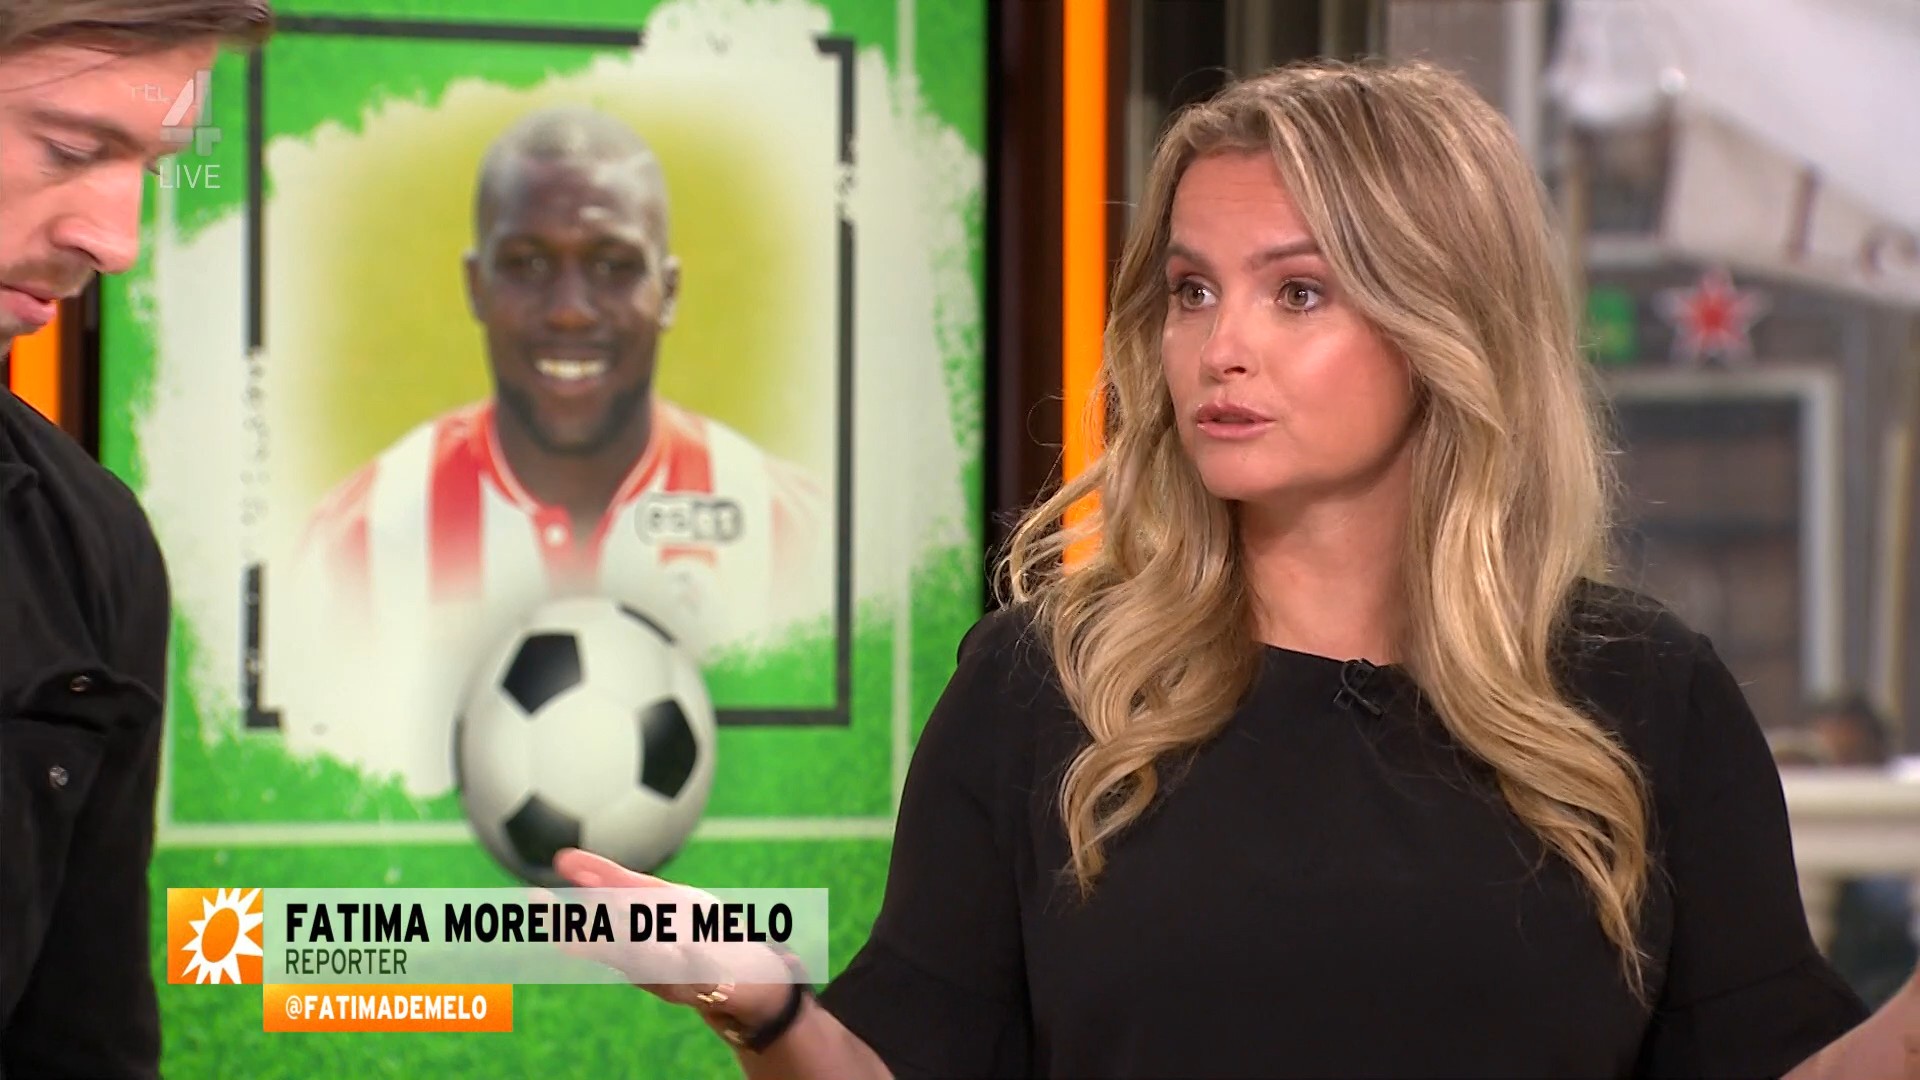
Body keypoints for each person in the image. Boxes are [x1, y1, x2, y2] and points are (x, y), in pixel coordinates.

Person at [549, 59, 1920, 1078]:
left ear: (1444, 325)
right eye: (1192, 290)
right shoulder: (1045, 687)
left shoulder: (1642, 696)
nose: (1221, 348)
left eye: (1297, 292)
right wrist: (766, 1008)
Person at [278, 105, 830, 795]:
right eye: (528, 264)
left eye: (613, 265)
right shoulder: (353, 544)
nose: (570, 308)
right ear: (476, 286)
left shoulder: (795, 532)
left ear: (668, 292)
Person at [0, 2, 272, 1076]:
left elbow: (81, 1043)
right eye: (71, 149)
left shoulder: (90, 548)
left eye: (150, 168)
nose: (114, 242)